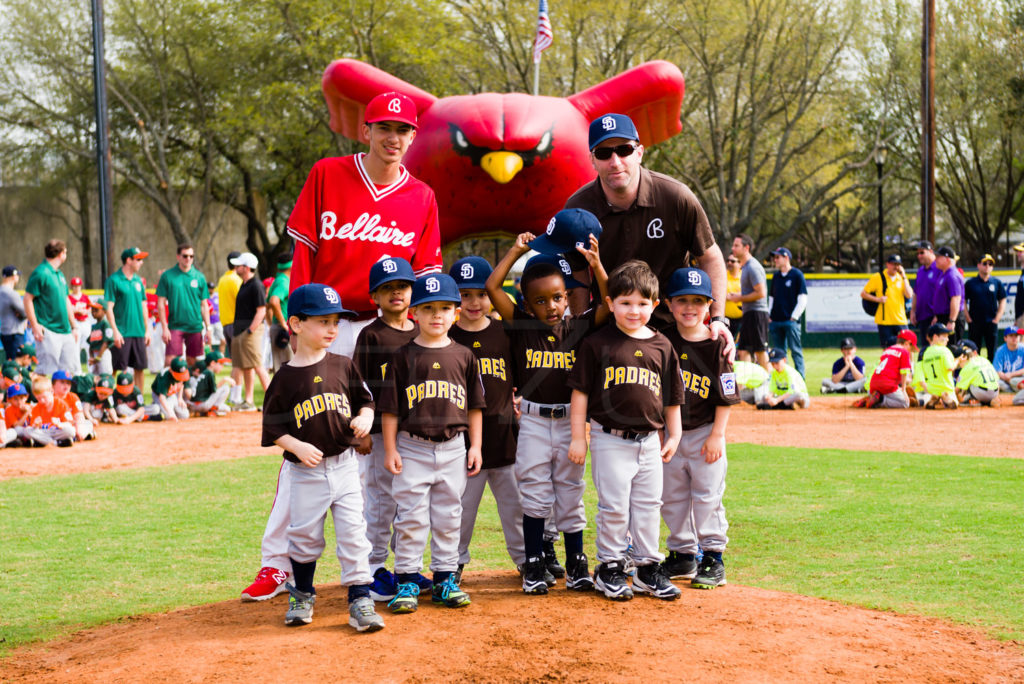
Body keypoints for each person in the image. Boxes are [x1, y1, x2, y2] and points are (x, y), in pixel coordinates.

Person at [486, 230, 609, 596]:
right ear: (526, 303)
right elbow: (494, 288)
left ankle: (575, 563)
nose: (552, 306)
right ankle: (535, 563)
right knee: (536, 494)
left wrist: (597, 265)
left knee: (571, 493)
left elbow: (610, 301)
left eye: (558, 297)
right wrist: (515, 251)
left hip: (571, 421)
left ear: (568, 297)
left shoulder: (579, 327)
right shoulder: (522, 326)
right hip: (535, 423)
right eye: (540, 301)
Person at [259, 282, 383, 632]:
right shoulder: (284, 378)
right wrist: (295, 446)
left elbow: (366, 400)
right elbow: (272, 427)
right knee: (303, 536)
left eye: (335, 322)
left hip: (345, 467)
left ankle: (360, 598)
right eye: (323, 321)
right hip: (305, 473)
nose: (332, 329)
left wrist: (366, 418)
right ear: (296, 324)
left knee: (354, 533)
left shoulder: (343, 365)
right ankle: (302, 594)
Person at [286, 91, 442, 358]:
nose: (393, 138)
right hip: (326, 320)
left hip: (388, 324)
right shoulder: (326, 173)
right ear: (366, 131)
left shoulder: (423, 196)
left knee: (387, 401)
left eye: (402, 130)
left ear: (412, 137)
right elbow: (303, 256)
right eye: (384, 128)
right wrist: (297, 325)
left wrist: (419, 331)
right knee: (325, 400)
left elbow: (425, 274)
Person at [562, 113, 734, 353]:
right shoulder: (577, 208)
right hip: (611, 332)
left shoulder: (676, 197)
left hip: (674, 329)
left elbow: (711, 257)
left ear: (640, 153)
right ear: (592, 159)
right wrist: (582, 329)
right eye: (603, 153)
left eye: (624, 150)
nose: (615, 161)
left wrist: (718, 319)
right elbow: (578, 276)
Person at [567, 261, 683, 601]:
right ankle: (611, 567)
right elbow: (580, 394)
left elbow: (672, 398)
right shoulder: (598, 343)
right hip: (609, 437)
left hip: (649, 441)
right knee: (614, 506)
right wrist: (579, 437)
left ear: (655, 305)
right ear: (610, 304)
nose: (634, 310)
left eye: (643, 303)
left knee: (649, 505)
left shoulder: (662, 345)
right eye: (626, 302)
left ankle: (647, 567)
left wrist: (673, 434)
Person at [378, 274, 484, 614]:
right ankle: (407, 578)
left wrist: (475, 446)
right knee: (411, 517)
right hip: (412, 447)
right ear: (414, 313)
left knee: (450, 514)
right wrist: (391, 448)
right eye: (427, 308)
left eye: (444, 308)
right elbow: (391, 409)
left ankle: (444, 579)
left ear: (455, 313)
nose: (436, 315)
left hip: (454, 446)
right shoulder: (403, 356)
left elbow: (475, 407)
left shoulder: (465, 356)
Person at [447, 257, 526, 582]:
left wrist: (520, 395)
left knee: (515, 507)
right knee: (460, 511)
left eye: (481, 293)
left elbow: (520, 374)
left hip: (506, 434)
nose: (474, 302)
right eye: (465, 295)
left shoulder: (504, 331)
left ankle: (526, 560)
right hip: (464, 443)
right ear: (454, 299)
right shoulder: (448, 336)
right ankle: (453, 563)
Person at [658, 267, 738, 590]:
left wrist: (718, 434)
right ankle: (683, 554)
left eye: (698, 301)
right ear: (669, 303)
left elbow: (726, 395)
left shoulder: (717, 345)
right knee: (672, 498)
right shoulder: (662, 342)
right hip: (671, 438)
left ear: (710, 305)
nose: (690, 307)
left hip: (706, 434)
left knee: (707, 497)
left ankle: (713, 557)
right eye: (682, 300)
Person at [350, 257, 424, 603]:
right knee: (381, 501)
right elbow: (357, 384)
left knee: (412, 502)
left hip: (418, 432)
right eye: (387, 288)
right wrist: (361, 431)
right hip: (380, 430)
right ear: (374, 298)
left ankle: (408, 566)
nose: (396, 292)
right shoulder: (371, 334)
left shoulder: (423, 329)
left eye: (402, 286)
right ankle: (375, 565)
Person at [23, 240, 79, 377]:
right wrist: (35, 325)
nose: (66, 254)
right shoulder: (41, 272)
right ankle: (40, 398)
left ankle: (60, 399)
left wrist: (74, 326)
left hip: (65, 331)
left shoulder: (59, 274)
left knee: (66, 373)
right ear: (60, 254)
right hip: (48, 330)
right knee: (46, 371)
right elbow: (27, 299)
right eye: (65, 251)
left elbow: (66, 300)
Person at [156, 243, 210, 367]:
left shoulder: (199, 277)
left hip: (195, 326)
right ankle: (167, 386)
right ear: (178, 257)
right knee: (170, 361)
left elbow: (204, 305)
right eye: (185, 256)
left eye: (191, 256)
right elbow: (161, 304)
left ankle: (188, 386)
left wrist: (208, 327)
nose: (188, 259)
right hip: (175, 326)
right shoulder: (167, 276)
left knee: (192, 362)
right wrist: (164, 327)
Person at [103, 247, 150, 390]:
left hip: (138, 331)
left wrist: (147, 330)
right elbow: (108, 307)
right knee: (116, 368)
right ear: (128, 260)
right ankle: (109, 399)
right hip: (122, 332)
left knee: (139, 368)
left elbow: (143, 306)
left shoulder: (138, 281)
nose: (141, 263)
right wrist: (115, 331)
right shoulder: (114, 280)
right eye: (138, 259)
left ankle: (138, 401)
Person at [230, 252, 270, 411]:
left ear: (246, 268)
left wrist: (250, 330)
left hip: (249, 331)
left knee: (257, 364)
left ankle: (274, 400)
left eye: (238, 265)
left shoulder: (256, 285)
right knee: (247, 366)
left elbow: (261, 311)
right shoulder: (245, 284)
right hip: (241, 330)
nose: (236, 268)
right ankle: (249, 400)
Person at [729, 234, 770, 370]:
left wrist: (739, 298)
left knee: (760, 351)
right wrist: (739, 296)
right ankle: (746, 386)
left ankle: (770, 386)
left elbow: (761, 293)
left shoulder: (753, 267)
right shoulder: (745, 267)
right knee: (743, 351)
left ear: (746, 248)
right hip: (748, 314)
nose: (732, 248)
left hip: (757, 314)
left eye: (736, 245)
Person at [767, 247, 807, 377]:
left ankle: (800, 381)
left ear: (786, 258)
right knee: (779, 354)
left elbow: (803, 298)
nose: (775, 260)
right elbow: (771, 297)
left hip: (790, 321)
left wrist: (794, 317)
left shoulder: (797, 275)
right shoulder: (776, 276)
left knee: (796, 351)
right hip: (776, 320)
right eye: (775, 257)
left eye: (778, 257)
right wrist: (769, 315)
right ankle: (785, 382)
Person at [861, 254, 913, 348]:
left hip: (900, 319)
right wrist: (878, 299)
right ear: (887, 264)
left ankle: (910, 363)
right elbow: (863, 294)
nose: (895, 267)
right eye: (893, 264)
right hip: (884, 320)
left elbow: (909, 294)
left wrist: (904, 276)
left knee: (908, 344)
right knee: (887, 348)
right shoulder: (878, 277)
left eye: (898, 264)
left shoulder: (901, 278)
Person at [856, 329, 917, 409]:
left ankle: (872, 398)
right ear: (907, 343)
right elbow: (904, 371)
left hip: (874, 384)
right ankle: (881, 400)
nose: (910, 351)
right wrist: (904, 390)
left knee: (887, 394)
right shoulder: (904, 352)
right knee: (905, 403)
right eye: (911, 347)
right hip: (887, 385)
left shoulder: (887, 350)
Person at [964, 254, 1006, 360]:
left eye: (990, 264)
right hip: (975, 323)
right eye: (984, 263)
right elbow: (963, 300)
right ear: (978, 265)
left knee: (992, 352)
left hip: (991, 323)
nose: (987, 266)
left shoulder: (996, 283)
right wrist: (968, 318)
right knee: (973, 352)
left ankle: (992, 374)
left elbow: (1002, 300)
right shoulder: (970, 283)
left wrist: (997, 318)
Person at [930, 246, 964, 344]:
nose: (935, 259)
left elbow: (956, 299)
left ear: (947, 259)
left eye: (938, 257)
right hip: (943, 317)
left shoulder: (952, 275)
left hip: (951, 317)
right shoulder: (944, 274)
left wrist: (952, 320)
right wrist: (937, 316)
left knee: (953, 348)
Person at [919, 323, 958, 409]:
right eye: (944, 336)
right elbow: (950, 368)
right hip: (946, 386)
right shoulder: (945, 351)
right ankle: (947, 399)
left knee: (929, 396)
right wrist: (957, 361)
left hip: (931, 387)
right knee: (955, 403)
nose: (947, 339)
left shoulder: (926, 353)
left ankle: (934, 397)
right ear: (935, 337)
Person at [28, 376, 75, 447]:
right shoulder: (36, 408)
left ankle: (43, 442)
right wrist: (35, 425)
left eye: (44, 397)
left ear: (51, 391)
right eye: (38, 398)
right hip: (44, 433)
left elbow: (69, 424)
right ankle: (56, 443)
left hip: (57, 432)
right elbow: (33, 428)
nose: (42, 401)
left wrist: (60, 424)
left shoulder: (61, 404)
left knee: (70, 431)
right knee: (27, 431)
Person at [910, 240, 939, 354]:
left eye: (922, 252)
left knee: (936, 348)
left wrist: (937, 314)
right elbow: (916, 293)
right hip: (922, 316)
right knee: (925, 348)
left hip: (934, 316)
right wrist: (913, 311)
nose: (919, 256)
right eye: (918, 253)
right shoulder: (920, 271)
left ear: (931, 251)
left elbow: (941, 294)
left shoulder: (938, 268)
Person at [266, 254, 294, 372]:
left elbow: (267, 305)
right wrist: (283, 323)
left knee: (282, 367)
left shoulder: (279, 279)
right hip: (282, 329)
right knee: (287, 368)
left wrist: (271, 323)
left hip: (277, 327)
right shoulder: (283, 281)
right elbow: (273, 301)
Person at [954, 340, 1001, 407]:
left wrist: (953, 398)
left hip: (980, 393)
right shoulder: (984, 360)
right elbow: (997, 381)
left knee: (969, 381)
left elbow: (957, 390)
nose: (959, 364)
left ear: (964, 358)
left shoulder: (967, 367)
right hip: (995, 393)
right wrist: (996, 396)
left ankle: (973, 400)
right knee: (974, 378)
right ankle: (990, 401)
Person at [52, 370, 95, 441]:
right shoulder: (50, 398)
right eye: (62, 382)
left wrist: (78, 430)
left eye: (69, 383)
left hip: (72, 425)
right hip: (56, 426)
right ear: (53, 384)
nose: (66, 386)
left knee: (88, 423)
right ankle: (74, 437)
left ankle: (75, 436)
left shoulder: (73, 397)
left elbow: (79, 416)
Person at [186, 350, 232, 416]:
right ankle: (212, 410)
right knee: (226, 388)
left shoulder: (204, 372)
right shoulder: (209, 373)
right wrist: (224, 380)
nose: (222, 366)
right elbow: (214, 390)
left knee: (227, 408)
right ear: (213, 363)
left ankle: (203, 412)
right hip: (203, 405)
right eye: (221, 363)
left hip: (194, 405)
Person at [1, 265, 27, 362]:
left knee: (10, 361)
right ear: (13, 276)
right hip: (15, 332)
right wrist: (22, 314)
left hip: (5, 331)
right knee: (16, 363)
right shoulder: (11, 293)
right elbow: (25, 312)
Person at [993, 326, 1024, 393]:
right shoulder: (1000, 351)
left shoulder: (1023, 349)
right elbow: (997, 371)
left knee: (1015, 381)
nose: (1014, 338)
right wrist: (1007, 379)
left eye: (1016, 335)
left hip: (1020, 378)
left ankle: (1014, 389)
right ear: (1005, 338)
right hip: (1005, 380)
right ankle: (1017, 389)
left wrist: (1011, 375)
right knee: (996, 381)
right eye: (1011, 335)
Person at [86, 299, 114, 376]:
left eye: (96, 310)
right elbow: (90, 344)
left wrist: (98, 357)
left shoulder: (105, 324)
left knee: (105, 376)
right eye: (92, 309)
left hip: (103, 354)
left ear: (104, 311)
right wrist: (92, 357)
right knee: (94, 377)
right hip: (95, 354)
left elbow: (106, 342)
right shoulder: (94, 326)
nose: (93, 312)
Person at [724, 255, 742, 337]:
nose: (729, 263)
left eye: (732, 261)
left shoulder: (745, 276)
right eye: (728, 260)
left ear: (740, 264)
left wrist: (739, 296)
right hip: (725, 319)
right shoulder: (722, 276)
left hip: (743, 319)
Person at [206, 283, 225, 353]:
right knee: (208, 341)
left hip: (217, 321)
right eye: (210, 288)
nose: (212, 290)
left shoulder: (217, 296)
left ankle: (221, 356)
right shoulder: (205, 297)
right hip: (209, 323)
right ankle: (209, 357)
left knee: (223, 340)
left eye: (212, 288)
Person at [1014, 242, 1024, 327]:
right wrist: (1017, 318)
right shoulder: (1022, 273)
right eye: (1018, 252)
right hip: (1020, 317)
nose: (1018, 254)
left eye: (1021, 251)